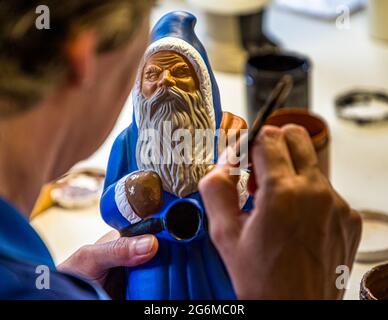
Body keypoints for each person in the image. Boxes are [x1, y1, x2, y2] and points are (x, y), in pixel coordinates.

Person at [0, 0, 361, 300]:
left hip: (212, 268)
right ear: (85, 52)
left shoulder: (30, 277)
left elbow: (252, 203)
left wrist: (68, 288)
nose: (166, 83)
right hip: (153, 274)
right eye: (152, 73)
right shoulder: (131, 143)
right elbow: (110, 205)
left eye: (180, 74)